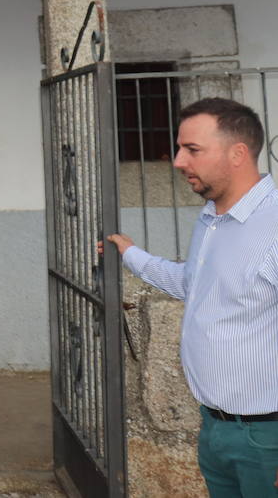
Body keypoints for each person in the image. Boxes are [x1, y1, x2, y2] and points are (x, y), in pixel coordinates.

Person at [101, 98, 278, 497]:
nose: (178, 161)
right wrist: (131, 254)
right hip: (215, 428)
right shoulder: (212, 219)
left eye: (192, 150)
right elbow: (192, 283)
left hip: (266, 438)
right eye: (180, 148)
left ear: (238, 154)